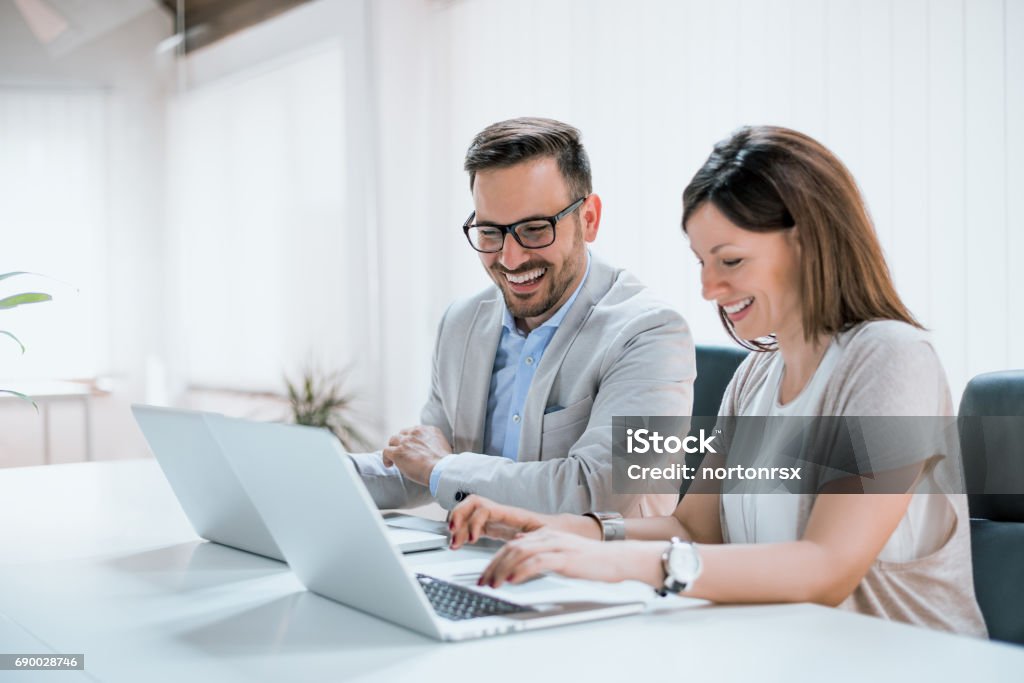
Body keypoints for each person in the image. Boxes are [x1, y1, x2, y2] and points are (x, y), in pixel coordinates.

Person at [448, 125, 988, 636]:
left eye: (730, 259)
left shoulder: (890, 359)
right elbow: (693, 529)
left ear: (809, 244)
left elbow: (825, 569)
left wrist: (615, 561)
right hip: (788, 657)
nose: (710, 288)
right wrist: (556, 529)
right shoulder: (755, 375)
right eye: (702, 261)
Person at [349, 117, 695, 517]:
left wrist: (441, 468)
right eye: (490, 232)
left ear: (589, 219)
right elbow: (421, 464)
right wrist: (320, 473)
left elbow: (597, 494)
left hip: (596, 573)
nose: (510, 260)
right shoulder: (461, 323)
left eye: (534, 229)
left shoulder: (652, 334)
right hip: (477, 567)